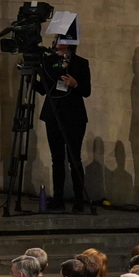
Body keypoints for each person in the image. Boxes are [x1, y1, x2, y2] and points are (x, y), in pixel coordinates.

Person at [39, 22, 92, 213]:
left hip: (74, 116)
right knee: (57, 158)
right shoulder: (48, 61)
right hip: (53, 114)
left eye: (59, 38)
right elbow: (44, 88)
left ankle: (79, 200)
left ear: (69, 43)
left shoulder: (81, 63)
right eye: (55, 39)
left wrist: (75, 83)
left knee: (74, 157)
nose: (55, 41)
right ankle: (58, 198)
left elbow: (87, 91)